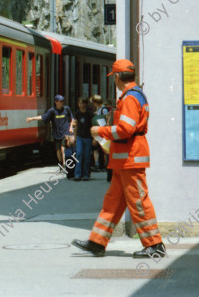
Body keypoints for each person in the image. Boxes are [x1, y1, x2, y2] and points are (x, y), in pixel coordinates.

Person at [71, 59, 166, 259]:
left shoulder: (130, 98)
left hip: (130, 158)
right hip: (126, 159)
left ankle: (154, 245)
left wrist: (101, 131)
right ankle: (97, 242)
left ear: (116, 77)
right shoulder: (134, 95)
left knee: (138, 201)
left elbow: (126, 129)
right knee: (113, 202)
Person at [26, 95, 75, 170]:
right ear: (56, 102)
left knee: (63, 147)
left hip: (65, 131)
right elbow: (43, 117)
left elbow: (72, 118)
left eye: (62, 101)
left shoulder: (67, 109)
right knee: (58, 150)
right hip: (56, 133)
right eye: (60, 101)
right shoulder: (52, 111)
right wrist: (32, 118)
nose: (62, 102)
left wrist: (71, 127)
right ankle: (60, 162)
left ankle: (65, 164)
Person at [73, 97, 93, 181]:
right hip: (80, 137)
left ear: (85, 104)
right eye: (79, 103)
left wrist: (94, 138)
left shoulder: (90, 114)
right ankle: (77, 174)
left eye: (82, 103)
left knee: (87, 156)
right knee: (79, 154)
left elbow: (93, 126)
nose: (80, 105)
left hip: (88, 137)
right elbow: (76, 125)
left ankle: (86, 174)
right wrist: (74, 137)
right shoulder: (77, 113)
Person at [89, 95, 109, 173]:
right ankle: (99, 164)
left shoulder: (103, 110)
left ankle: (105, 164)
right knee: (97, 148)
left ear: (96, 102)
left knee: (104, 148)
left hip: (102, 131)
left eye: (93, 102)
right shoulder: (99, 109)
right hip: (98, 131)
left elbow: (105, 121)